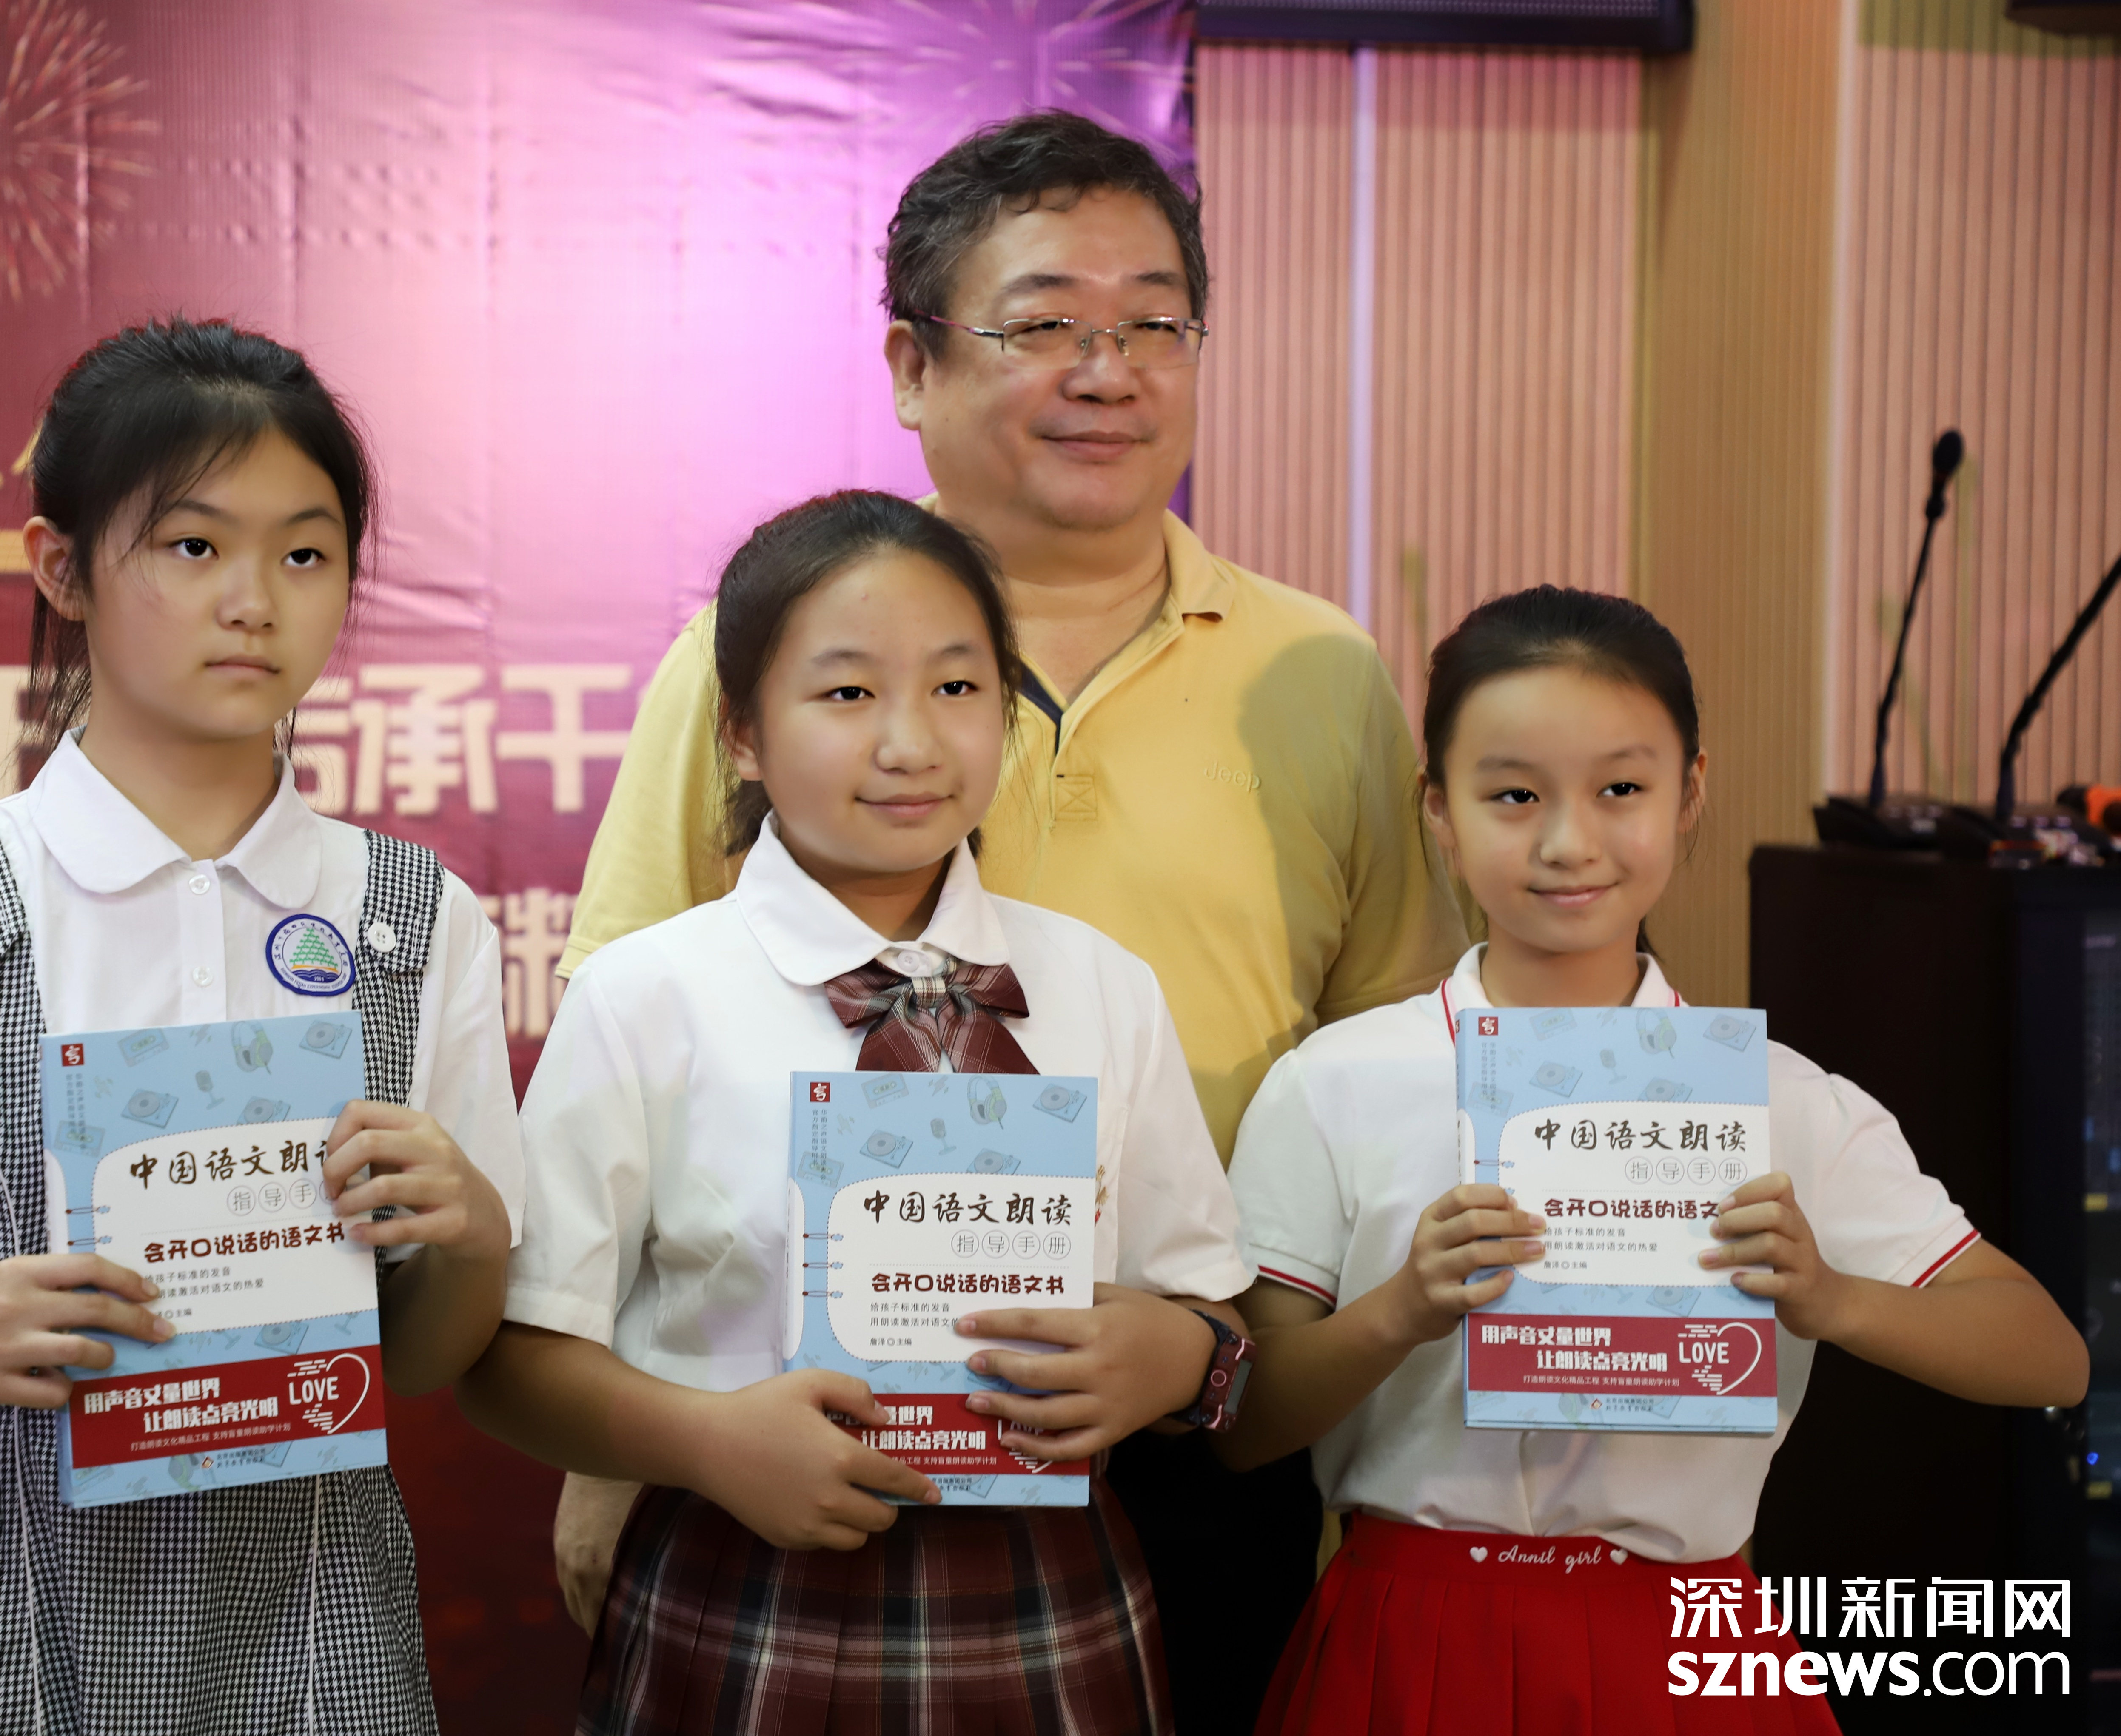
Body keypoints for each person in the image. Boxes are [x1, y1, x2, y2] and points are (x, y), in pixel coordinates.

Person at [551, 109, 1465, 1721]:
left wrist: (1250, 1368)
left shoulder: (1319, 669)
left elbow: (1387, 1057)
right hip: (792, 1422)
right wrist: (630, 1444)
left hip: (1186, 1409)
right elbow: (627, 1019)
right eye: (1043, 324)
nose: (1106, 373)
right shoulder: (754, 651)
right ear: (911, 367)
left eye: (1153, 324)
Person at [0, 317, 525, 1735]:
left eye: (305, 553)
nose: (252, 601)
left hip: (310, 1615)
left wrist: (472, 1231)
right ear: (60, 568)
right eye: (192, 546)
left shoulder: (411, 915)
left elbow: (422, 1357)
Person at [1220, 586, 2089, 1733]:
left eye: (1620, 790)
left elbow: (2050, 1356)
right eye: (1513, 794)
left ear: (1690, 794)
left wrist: (1831, 1297)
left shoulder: (1783, 1100)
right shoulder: (1335, 1082)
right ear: (1438, 811)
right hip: (1408, 1635)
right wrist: (1402, 1310)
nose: (1568, 841)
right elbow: (1243, 1425)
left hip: (1692, 1643)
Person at [460, 490, 1252, 1734]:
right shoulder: (649, 993)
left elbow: (1211, 1309)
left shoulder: (1102, 984)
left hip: (1048, 1589)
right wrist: (705, 1442)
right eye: (846, 693)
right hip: (743, 1578)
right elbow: (510, 1353)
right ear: (740, 733)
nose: (910, 742)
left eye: (958, 686)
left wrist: (1176, 1358)